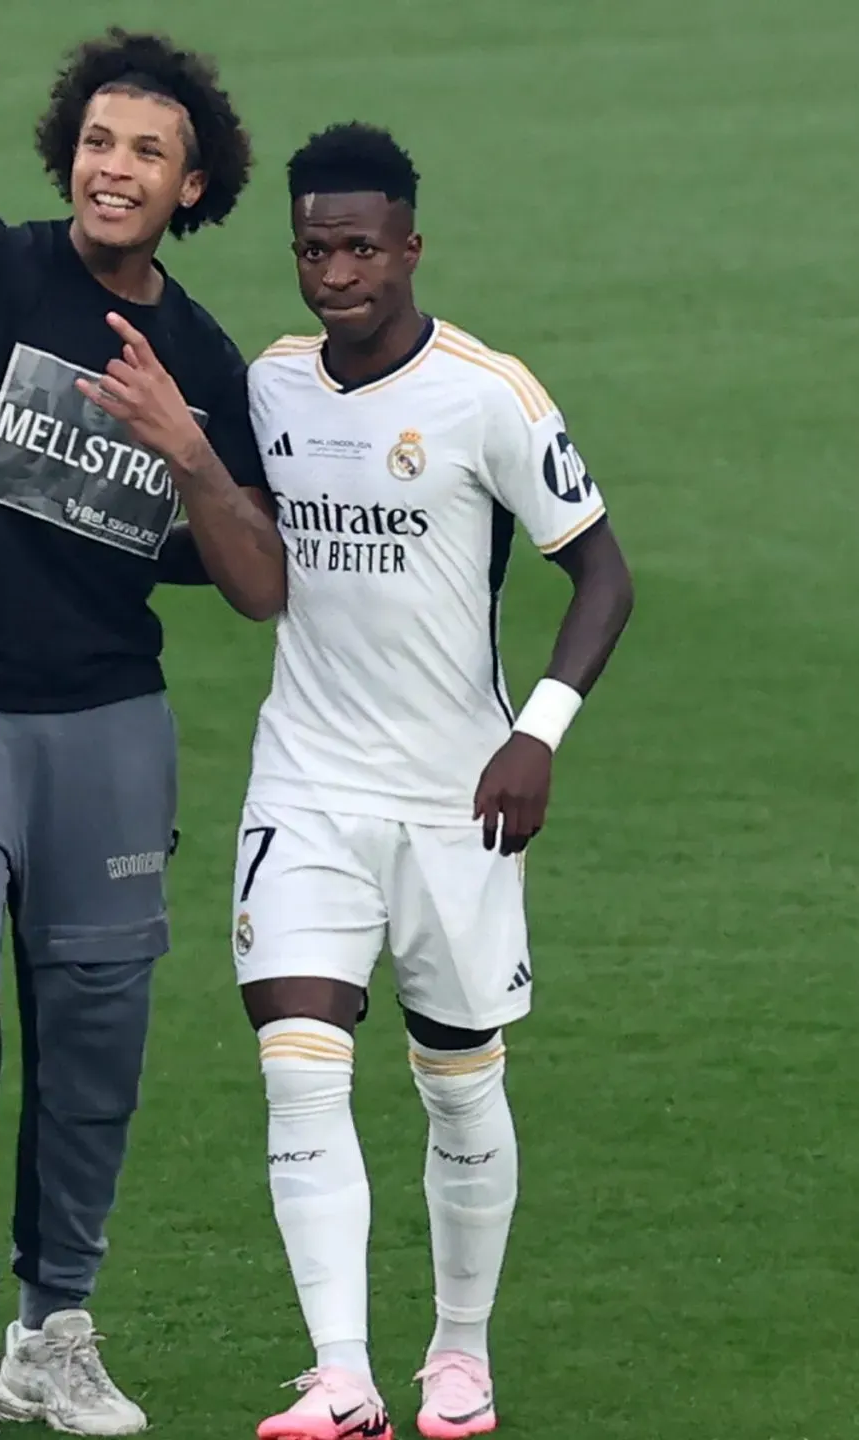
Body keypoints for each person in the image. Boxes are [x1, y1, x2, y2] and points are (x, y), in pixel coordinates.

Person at [0, 28, 284, 1440]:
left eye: (146, 151)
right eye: (97, 141)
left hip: (104, 723)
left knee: (97, 1032)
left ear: (190, 184)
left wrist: (186, 446)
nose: (114, 168)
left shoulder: (201, 358)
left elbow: (261, 585)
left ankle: (56, 1332)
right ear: (65, 156)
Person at [231, 123, 637, 1440]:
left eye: (359, 247)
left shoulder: (487, 396)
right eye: (311, 247)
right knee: (300, 1065)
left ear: (410, 247)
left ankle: (458, 1357)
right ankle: (339, 1374)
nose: (334, 271)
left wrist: (541, 735)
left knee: (459, 1080)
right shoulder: (273, 386)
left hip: (460, 796)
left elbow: (604, 575)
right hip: (307, 781)